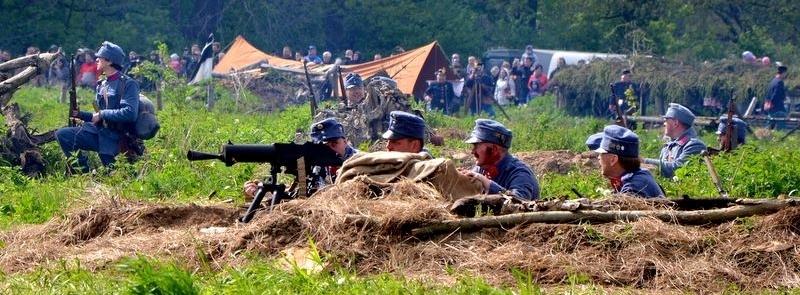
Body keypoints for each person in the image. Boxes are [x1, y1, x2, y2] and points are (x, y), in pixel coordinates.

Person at [55, 41, 140, 173]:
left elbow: (130, 113)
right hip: (99, 132)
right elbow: (98, 115)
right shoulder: (101, 84)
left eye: (100, 57)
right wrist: (80, 114)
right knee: (63, 135)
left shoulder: (128, 84)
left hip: (117, 138)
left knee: (118, 175)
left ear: (109, 61)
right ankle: (84, 174)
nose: (96, 59)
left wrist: (102, 114)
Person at [460, 119, 539, 200]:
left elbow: (520, 202)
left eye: (476, 146)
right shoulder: (480, 169)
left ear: (493, 149)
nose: (472, 151)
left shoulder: (520, 173)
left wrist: (488, 184)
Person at [587, 125, 664, 198]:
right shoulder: (636, 177)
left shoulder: (633, 188)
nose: (599, 157)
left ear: (613, 160)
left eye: (601, 154)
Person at [642, 103, 706, 179]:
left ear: (675, 123)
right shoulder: (668, 145)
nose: (664, 123)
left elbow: (677, 168)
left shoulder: (695, 145)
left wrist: (644, 161)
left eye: (666, 120)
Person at [764, 65, 788, 129]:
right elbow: (776, 95)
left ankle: (765, 136)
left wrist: (768, 104)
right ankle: (781, 138)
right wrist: (783, 98)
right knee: (781, 128)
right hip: (778, 108)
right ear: (784, 73)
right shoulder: (780, 82)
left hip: (770, 107)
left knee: (770, 126)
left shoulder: (773, 81)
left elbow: (768, 94)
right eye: (786, 73)